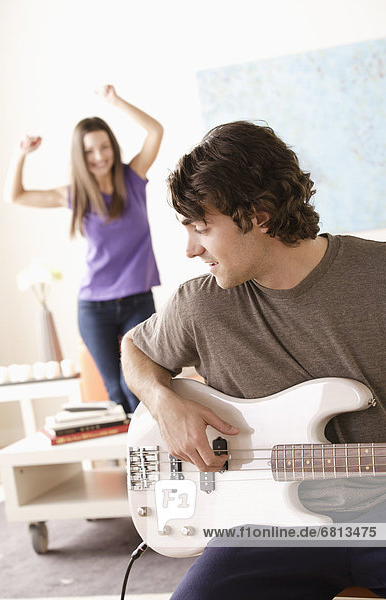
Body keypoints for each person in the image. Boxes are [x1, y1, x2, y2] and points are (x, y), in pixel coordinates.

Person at [121, 121, 386, 599]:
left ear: (259, 215)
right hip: (267, 525)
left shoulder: (378, 277)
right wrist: (163, 402)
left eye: (202, 228)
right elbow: (134, 349)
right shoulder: (201, 304)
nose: (190, 248)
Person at [5, 85, 163, 414]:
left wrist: (115, 101)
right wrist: (21, 153)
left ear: (112, 145)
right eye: (90, 151)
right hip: (95, 308)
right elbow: (16, 196)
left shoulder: (133, 177)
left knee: (139, 385)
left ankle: (153, 459)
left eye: (104, 147)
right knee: (115, 393)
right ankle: (129, 464)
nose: (100, 156)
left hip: (137, 300)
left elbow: (155, 130)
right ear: (81, 155)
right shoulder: (76, 194)